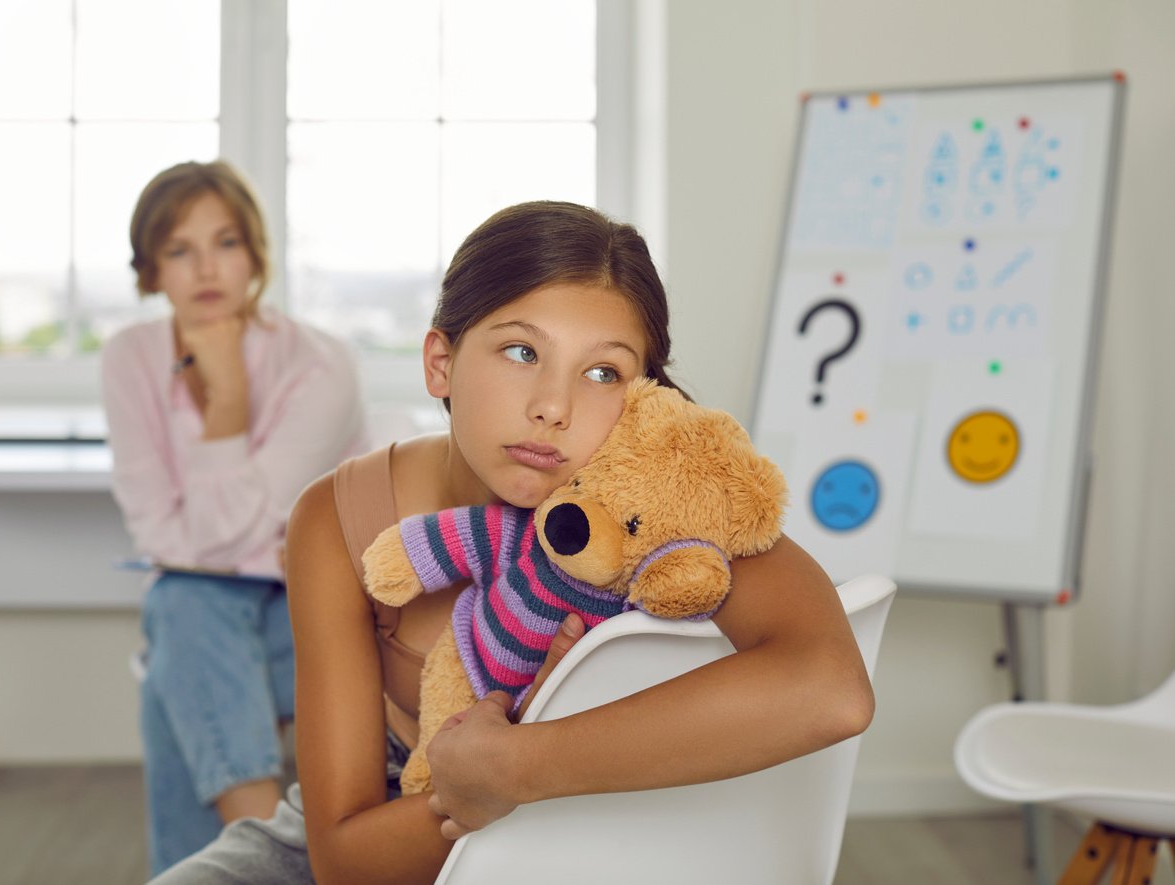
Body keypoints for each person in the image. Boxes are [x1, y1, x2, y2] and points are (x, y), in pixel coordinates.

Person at [150, 201, 874, 884]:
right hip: (399, 818)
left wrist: (523, 761)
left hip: (604, 815)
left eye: (603, 372)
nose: (553, 407)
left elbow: (833, 689)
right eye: (522, 350)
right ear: (440, 361)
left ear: (644, 395)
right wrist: (488, 777)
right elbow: (345, 860)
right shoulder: (339, 517)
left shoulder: (666, 501)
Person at [102, 159, 369, 874]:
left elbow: (214, 536)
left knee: (177, 636)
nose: (205, 269)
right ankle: (265, 857)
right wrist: (228, 414)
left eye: (225, 242)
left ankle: (247, 866)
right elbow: (162, 536)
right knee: (185, 610)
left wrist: (229, 398)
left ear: (255, 253)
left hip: (322, 616)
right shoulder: (130, 358)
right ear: (151, 269)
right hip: (212, 620)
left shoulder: (319, 363)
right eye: (178, 250)